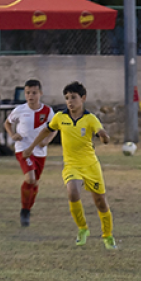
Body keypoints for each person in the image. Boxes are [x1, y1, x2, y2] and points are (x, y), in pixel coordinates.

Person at [25, 81, 115, 249]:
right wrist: (32, 147)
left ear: (83, 98)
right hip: (71, 165)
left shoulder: (90, 118)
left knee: (101, 202)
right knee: (72, 192)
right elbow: (47, 129)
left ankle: (108, 236)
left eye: (73, 97)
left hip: (91, 166)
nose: (69, 101)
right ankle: (83, 229)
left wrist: (104, 136)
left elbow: (101, 132)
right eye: (67, 98)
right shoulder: (60, 117)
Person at [4, 79, 56, 227]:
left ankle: (27, 209)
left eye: (34, 93)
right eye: (28, 93)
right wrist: (13, 135)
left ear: (40, 93)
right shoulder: (20, 110)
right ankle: (24, 211)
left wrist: (47, 141)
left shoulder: (47, 111)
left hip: (40, 152)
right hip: (23, 149)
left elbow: (55, 128)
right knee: (30, 178)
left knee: (35, 182)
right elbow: (7, 123)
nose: (30, 96)